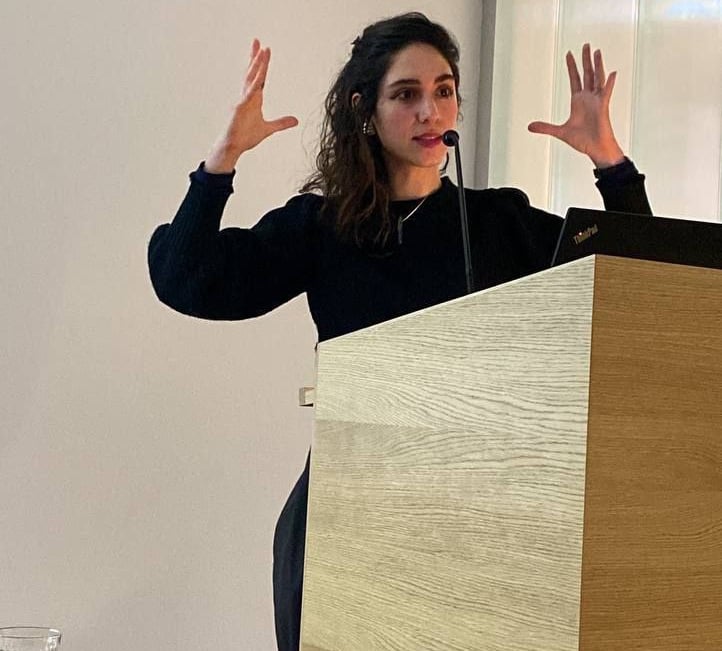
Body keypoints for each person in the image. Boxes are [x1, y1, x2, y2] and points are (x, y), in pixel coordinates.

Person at [148, 12, 651, 651]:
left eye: (443, 91)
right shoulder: (324, 227)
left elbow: (641, 282)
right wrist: (223, 160)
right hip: (342, 520)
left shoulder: (494, 223)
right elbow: (187, 278)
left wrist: (611, 162)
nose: (429, 111)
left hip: (468, 526)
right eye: (406, 94)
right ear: (366, 110)